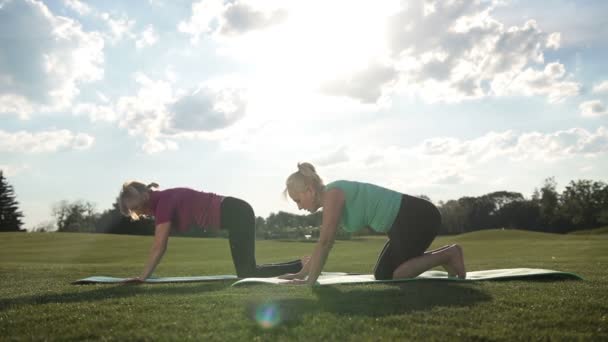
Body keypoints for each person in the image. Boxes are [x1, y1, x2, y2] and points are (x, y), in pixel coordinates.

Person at [279, 163, 466, 285]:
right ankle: (446, 259)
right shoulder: (329, 199)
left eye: (297, 200)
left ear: (309, 190)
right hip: (401, 224)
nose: (298, 207)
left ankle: (449, 254)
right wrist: (301, 274)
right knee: (383, 275)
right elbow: (323, 243)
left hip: (415, 217)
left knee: (396, 276)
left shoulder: (332, 194)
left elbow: (325, 243)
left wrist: (310, 281)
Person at [117, 182, 304, 283]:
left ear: (145, 196)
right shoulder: (163, 201)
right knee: (247, 271)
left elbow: (159, 246)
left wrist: (142, 278)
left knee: (247, 272)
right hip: (237, 212)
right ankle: (301, 264)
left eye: (138, 207)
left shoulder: (163, 203)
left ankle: (301, 265)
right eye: (135, 211)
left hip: (237, 212)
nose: (140, 213)